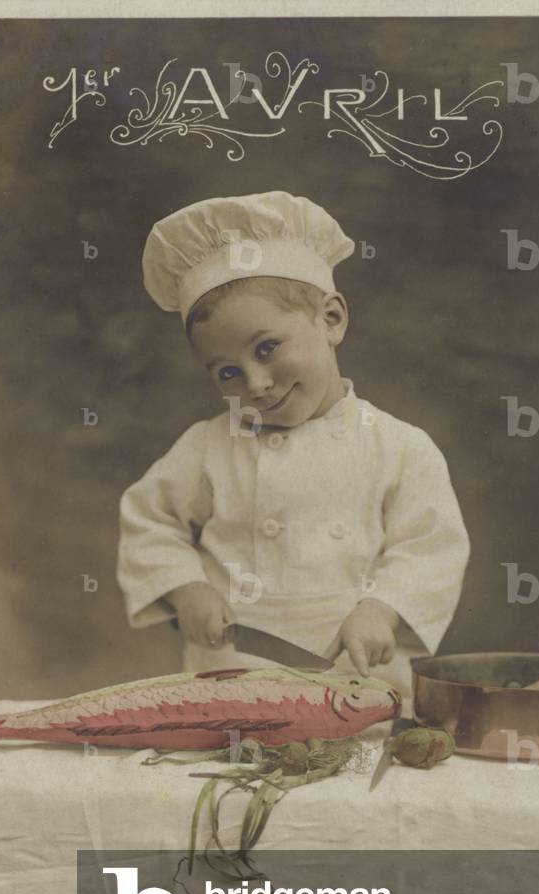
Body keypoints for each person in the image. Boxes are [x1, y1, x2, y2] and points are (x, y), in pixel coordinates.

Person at [116, 191, 470, 695]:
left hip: (356, 682)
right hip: (228, 680)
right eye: (228, 372)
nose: (256, 384)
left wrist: (383, 609)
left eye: (268, 348)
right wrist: (186, 588)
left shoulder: (400, 448)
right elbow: (150, 522)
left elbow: (431, 547)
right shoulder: (208, 446)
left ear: (332, 319)